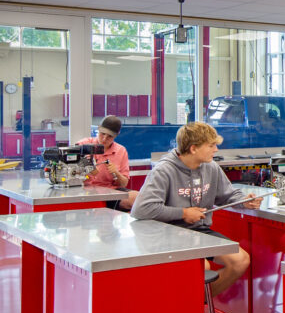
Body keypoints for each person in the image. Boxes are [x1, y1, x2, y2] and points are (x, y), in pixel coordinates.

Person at [132, 122, 254, 297]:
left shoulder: (211, 167)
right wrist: (183, 213)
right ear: (193, 148)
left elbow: (227, 195)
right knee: (202, 266)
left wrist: (243, 201)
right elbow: (141, 210)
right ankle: (190, 307)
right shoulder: (163, 170)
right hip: (168, 235)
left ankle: (199, 303)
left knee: (240, 260)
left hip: (198, 232)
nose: (216, 150)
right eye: (211, 146)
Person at [84, 114, 136, 211]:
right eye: (102, 134)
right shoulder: (84, 145)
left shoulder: (121, 151)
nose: (104, 139)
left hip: (109, 192)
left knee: (139, 198)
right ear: (98, 129)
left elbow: (124, 183)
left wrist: (116, 173)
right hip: (85, 192)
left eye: (109, 136)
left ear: (116, 136)